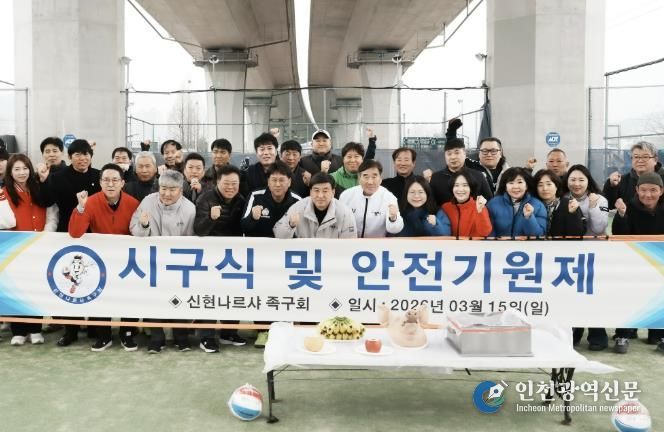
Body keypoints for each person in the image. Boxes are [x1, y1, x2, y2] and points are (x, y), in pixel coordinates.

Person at [68, 163, 140, 352]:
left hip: (127, 260)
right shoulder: (90, 202)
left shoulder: (133, 203)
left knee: (128, 296)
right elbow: (75, 233)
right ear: (100, 182)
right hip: (99, 260)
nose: (110, 184)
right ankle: (103, 336)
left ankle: (127, 334)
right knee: (100, 296)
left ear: (122, 183)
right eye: (106, 180)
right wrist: (81, 208)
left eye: (115, 180)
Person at [130, 170, 196, 353]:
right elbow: (134, 229)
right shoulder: (147, 202)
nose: (167, 193)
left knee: (179, 298)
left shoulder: (189, 209)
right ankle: (156, 337)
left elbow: (192, 240)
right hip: (152, 262)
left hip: (178, 263)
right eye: (163, 188)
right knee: (153, 298)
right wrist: (144, 225)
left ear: (181, 190)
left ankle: (181, 336)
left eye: (172, 189)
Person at [241, 161, 301, 348]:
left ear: (289, 181)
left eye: (282, 180)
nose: (277, 184)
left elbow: (301, 233)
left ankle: (283, 330)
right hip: (259, 257)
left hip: (286, 258)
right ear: (268, 181)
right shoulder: (256, 196)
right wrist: (253, 217)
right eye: (273, 180)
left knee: (285, 293)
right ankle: (262, 330)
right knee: (261, 293)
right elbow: (243, 227)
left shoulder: (298, 200)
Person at [1, 154, 58, 345]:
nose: (21, 173)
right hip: (15, 248)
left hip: (39, 245)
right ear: (10, 172)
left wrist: (46, 233)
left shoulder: (39, 188)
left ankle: (35, 329)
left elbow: (52, 213)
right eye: (16, 169)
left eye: (25, 168)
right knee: (15, 288)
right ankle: (18, 331)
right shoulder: (4, 193)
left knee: (36, 287)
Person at [194, 164, 247, 351]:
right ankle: (206, 336)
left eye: (234, 183)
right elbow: (198, 230)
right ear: (217, 182)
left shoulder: (241, 200)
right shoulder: (205, 198)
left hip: (232, 256)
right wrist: (211, 218)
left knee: (233, 293)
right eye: (226, 183)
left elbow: (243, 227)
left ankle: (229, 332)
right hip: (209, 256)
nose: (230, 187)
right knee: (210, 295)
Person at [611, 172, 664, 353]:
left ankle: (659, 334)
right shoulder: (628, 207)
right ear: (636, 190)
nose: (648, 194)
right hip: (634, 263)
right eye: (643, 190)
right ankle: (623, 334)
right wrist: (621, 215)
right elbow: (619, 235)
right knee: (629, 296)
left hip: (660, 263)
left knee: (660, 297)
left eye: (653, 190)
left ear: (661, 191)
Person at [563, 164, 610, 351]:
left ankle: (598, 335)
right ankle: (574, 331)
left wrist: (592, 207)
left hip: (593, 256)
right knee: (571, 295)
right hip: (570, 256)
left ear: (588, 181)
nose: (577, 184)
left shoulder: (600, 199)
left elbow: (598, 228)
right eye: (573, 179)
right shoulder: (562, 198)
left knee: (593, 295)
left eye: (581, 180)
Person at [274, 173, 357, 239]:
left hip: (332, 253)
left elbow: (348, 244)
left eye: (325, 191)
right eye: (316, 190)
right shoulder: (298, 207)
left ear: (333, 192)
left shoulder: (345, 213)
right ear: (310, 192)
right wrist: (290, 225)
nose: (320, 195)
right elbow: (278, 234)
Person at [339, 160, 403, 238]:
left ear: (380, 179)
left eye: (374, 177)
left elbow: (395, 229)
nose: (370, 182)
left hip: (376, 243)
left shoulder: (389, 197)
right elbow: (339, 223)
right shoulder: (346, 195)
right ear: (359, 178)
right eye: (366, 176)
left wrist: (393, 218)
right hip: (350, 241)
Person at [426, 138, 493, 206]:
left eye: (457, 153)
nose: (453, 157)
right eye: (449, 154)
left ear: (464, 154)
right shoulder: (436, 178)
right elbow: (431, 204)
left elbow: (490, 203)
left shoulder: (478, 176)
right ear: (445, 156)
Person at [487, 167, 547, 238]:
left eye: (520, 182)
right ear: (505, 186)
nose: (515, 187)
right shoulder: (493, 203)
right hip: (499, 244)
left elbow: (538, 236)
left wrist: (529, 217)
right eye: (511, 183)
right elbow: (488, 232)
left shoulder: (538, 205)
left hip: (526, 245)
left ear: (526, 185)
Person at [602, 141, 664, 210]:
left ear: (655, 160)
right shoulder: (622, 181)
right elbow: (608, 206)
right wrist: (611, 186)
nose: (640, 160)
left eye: (645, 157)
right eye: (636, 157)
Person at [533, 169, 585, 238]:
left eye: (549, 184)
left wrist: (572, 213)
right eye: (540, 185)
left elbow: (577, 234)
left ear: (556, 186)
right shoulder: (532, 206)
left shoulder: (569, 204)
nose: (545, 188)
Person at [441, 169, 492, 238]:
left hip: (472, 244)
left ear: (470, 188)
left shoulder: (479, 206)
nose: (460, 189)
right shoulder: (446, 207)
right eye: (456, 185)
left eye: (465, 185)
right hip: (450, 244)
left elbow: (485, 232)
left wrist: (480, 212)